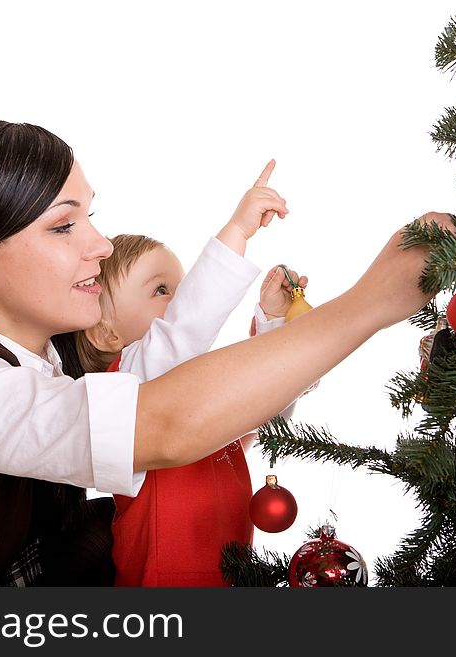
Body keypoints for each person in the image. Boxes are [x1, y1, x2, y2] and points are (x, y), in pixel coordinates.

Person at [0, 120, 456, 586]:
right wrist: (371, 303)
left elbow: (181, 364)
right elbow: (166, 423)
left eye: (91, 212)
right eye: (63, 226)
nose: (102, 243)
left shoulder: (51, 351)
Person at [74, 171, 313, 585]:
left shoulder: (195, 383)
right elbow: (183, 331)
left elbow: (267, 409)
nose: (183, 299)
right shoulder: (126, 384)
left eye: (185, 288)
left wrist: (274, 322)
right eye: (162, 290)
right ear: (107, 332)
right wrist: (236, 233)